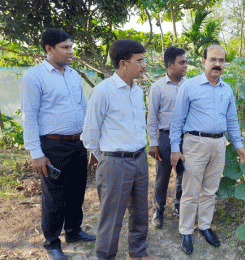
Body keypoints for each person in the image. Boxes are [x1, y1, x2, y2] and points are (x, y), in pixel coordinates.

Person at [19, 28, 95, 260]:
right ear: (49, 49)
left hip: (78, 143)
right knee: (54, 196)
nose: (71, 52)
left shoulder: (73, 75)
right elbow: (29, 117)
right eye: (65, 47)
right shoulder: (34, 76)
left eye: (71, 47)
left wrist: (89, 143)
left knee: (76, 191)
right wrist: (36, 153)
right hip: (52, 146)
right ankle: (52, 243)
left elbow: (83, 109)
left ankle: (74, 231)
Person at [81, 39, 157, 260]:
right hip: (114, 162)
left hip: (139, 158)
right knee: (112, 216)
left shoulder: (136, 91)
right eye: (140, 60)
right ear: (123, 63)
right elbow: (89, 133)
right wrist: (105, 157)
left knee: (140, 212)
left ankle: (138, 253)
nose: (144, 65)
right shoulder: (103, 91)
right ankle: (105, 257)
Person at [169, 44, 245, 255]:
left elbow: (232, 120)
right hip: (195, 143)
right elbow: (177, 120)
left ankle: (205, 226)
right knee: (190, 189)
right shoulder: (190, 86)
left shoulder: (227, 89)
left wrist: (239, 145)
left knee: (210, 189)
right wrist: (175, 149)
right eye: (213, 60)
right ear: (203, 62)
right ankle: (186, 230)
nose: (217, 64)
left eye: (221, 61)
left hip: (219, 144)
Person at [147, 47, 188, 228]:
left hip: (186, 137)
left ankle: (178, 205)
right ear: (170, 65)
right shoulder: (157, 87)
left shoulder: (189, 85)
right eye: (182, 63)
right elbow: (151, 118)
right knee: (163, 176)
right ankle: (158, 210)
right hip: (165, 137)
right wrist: (153, 143)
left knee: (183, 174)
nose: (185, 66)